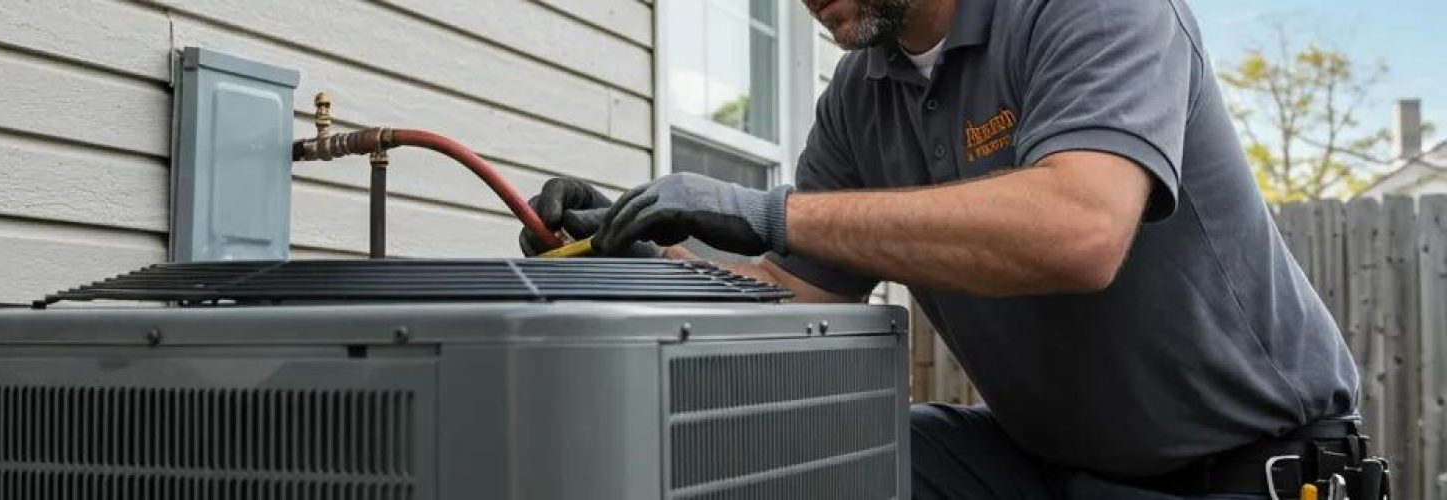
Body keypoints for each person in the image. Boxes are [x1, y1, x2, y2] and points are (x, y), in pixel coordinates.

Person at [520, 0, 1377, 498]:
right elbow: (791, 290)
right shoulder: (862, 94)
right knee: (831, 459)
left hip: (1245, 467)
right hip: (1047, 461)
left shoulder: (1092, 10)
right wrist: (628, 255)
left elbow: (1081, 230)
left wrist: (763, 208)